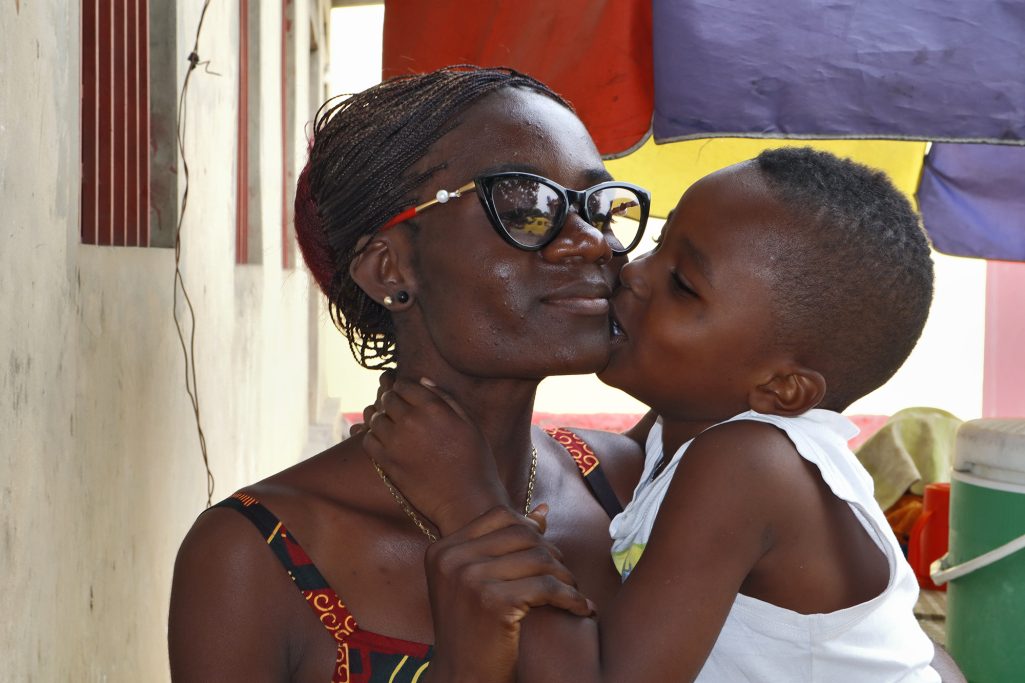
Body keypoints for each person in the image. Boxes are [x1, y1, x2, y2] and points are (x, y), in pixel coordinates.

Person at [363, 147, 955, 681]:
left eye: (683, 285)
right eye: (657, 244)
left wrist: (470, 503)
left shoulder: (749, 463)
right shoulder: (683, 434)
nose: (631, 271)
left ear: (781, 387)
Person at [167, 65, 654, 682]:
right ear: (389, 269)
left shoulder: (626, 486)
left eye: (599, 208)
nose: (592, 242)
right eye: (528, 208)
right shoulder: (255, 556)